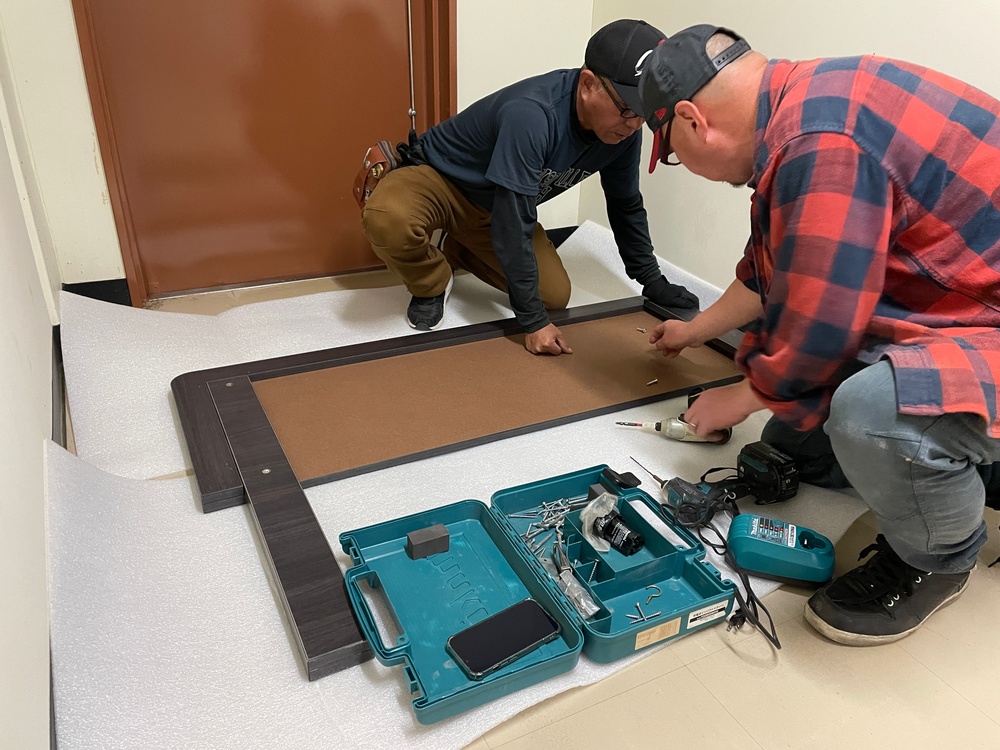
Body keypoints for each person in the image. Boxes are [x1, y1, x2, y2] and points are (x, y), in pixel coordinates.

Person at [638, 24, 1000, 645]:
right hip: (963, 305)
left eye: (670, 153)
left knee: (868, 419)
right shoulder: (807, 106)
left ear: (695, 121)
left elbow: (820, 325)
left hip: (983, 324)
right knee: (799, 437)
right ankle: (960, 455)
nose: (681, 167)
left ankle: (939, 560)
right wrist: (693, 331)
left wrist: (740, 397)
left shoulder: (821, 142)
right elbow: (774, 275)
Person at [360, 19, 698, 355]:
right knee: (387, 217)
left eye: (644, 113)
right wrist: (532, 322)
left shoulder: (623, 132)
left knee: (555, 297)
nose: (634, 124)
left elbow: (625, 204)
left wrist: (652, 281)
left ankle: (459, 247)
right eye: (626, 108)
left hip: (495, 206)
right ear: (588, 84)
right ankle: (430, 282)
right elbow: (514, 222)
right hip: (441, 180)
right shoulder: (533, 114)